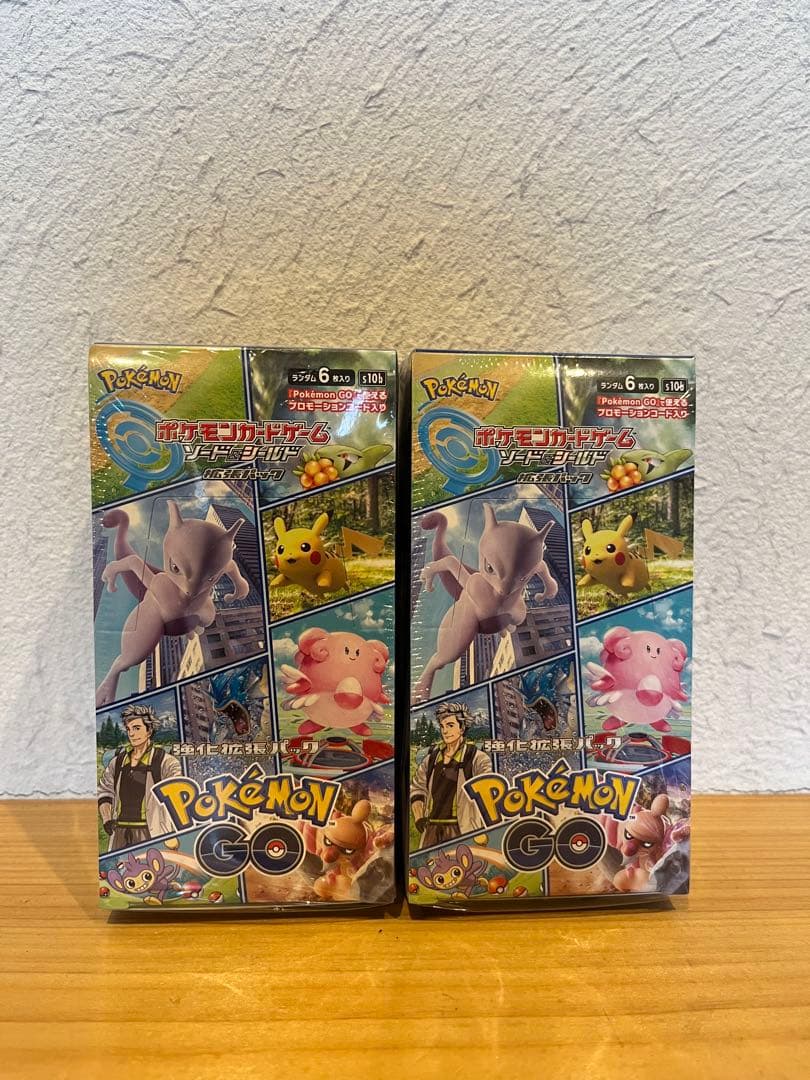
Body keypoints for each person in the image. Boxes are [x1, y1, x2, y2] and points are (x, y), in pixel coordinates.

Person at [97, 703, 181, 851]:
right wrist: (107, 819)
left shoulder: (165, 761)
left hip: (150, 832)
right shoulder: (118, 761)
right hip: (119, 832)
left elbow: (178, 794)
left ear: (149, 730)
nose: (131, 734)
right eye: (129, 729)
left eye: (137, 728)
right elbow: (104, 791)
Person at [410, 701, 491, 849]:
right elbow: (417, 788)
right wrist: (419, 817)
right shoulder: (432, 758)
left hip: (461, 828)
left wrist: (481, 829)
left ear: (462, 728)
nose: (445, 731)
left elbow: (488, 792)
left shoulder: (476, 758)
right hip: (432, 829)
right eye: (442, 726)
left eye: (450, 725)